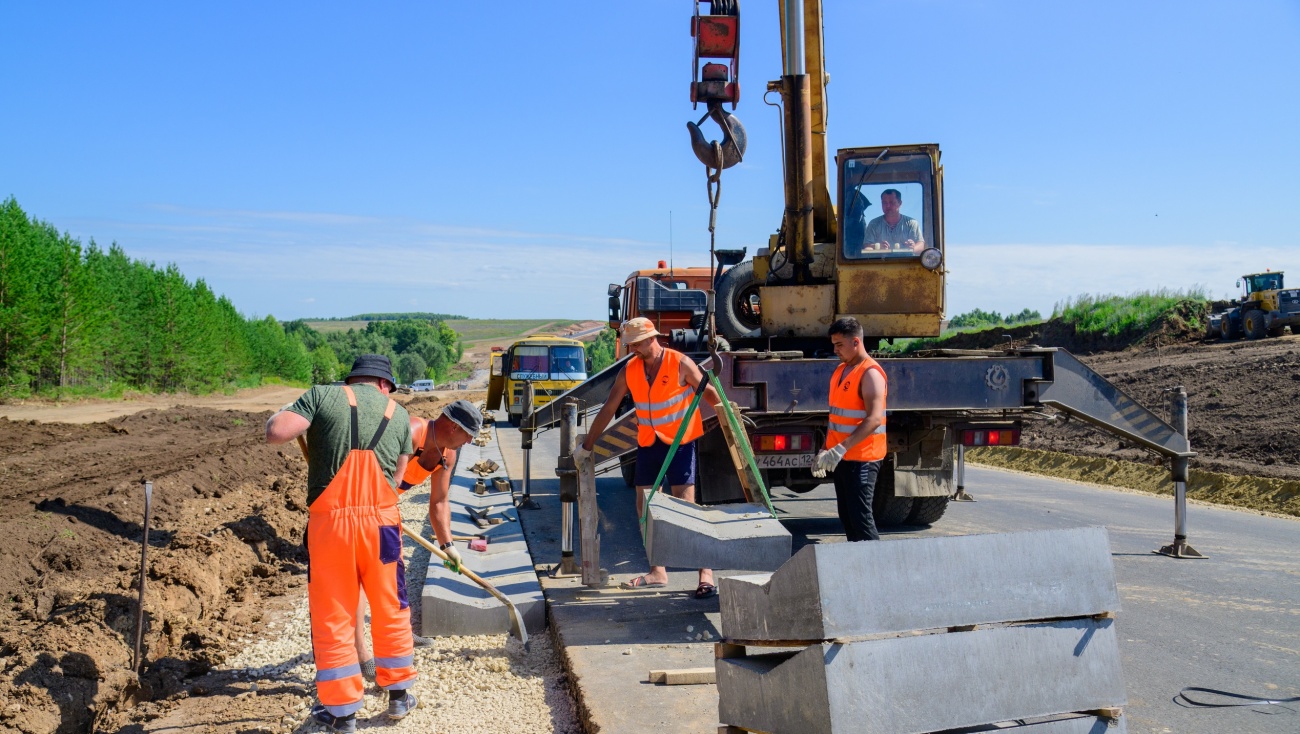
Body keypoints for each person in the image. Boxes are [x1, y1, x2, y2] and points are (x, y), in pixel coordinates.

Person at [265, 354, 419, 732]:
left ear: (351, 380)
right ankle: (398, 695)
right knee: (390, 605)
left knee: (334, 613)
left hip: (332, 527)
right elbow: (397, 479)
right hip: (383, 526)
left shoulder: (321, 396)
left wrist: (284, 410)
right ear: (385, 385)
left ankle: (342, 712)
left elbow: (277, 433)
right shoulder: (399, 415)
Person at [573, 317, 722, 598]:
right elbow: (608, 408)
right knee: (645, 508)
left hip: (680, 443)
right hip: (649, 444)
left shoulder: (680, 363)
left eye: (636, 345)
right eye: (629, 346)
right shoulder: (630, 370)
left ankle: (706, 573)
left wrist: (729, 416)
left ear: (651, 339)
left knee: (686, 509)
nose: (632, 350)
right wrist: (587, 446)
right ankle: (658, 571)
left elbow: (709, 392)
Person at [353, 400, 483, 680]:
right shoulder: (411, 432)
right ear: (452, 426)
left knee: (391, 579)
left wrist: (448, 546)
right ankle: (360, 652)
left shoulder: (447, 454)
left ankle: (400, 637)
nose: (470, 441)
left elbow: (439, 501)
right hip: (360, 508)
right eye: (468, 434)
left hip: (385, 511)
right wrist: (375, 516)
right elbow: (369, 475)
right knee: (361, 581)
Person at [812, 318, 888, 542]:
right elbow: (835, 419)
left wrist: (839, 449)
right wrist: (824, 450)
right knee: (847, 517)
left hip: (863, 458)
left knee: (861, 520)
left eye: (839, 345)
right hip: (843, 458)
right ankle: (857, 570)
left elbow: (874, 419)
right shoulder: (840, 371)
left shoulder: (870, 373)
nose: (835, 350)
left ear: (856, 342)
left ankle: (877, 572)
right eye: (833, 345)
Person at [861, 188, 924, 254]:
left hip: (907, 262)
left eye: (891, 202)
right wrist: (877, 246)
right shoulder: (873, 224)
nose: (888, 206)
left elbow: (921, 245)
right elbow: (867, 246)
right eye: (884, 203)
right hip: (881, 263)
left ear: (900, 203)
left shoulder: (911, 223)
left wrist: (913, 247)